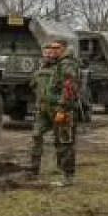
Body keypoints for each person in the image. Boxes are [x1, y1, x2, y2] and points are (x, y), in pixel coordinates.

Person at [30, 39, 81, 184]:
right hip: (51, 108)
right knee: (60, 141)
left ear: (64, 49)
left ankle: (68, 177)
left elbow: (69, 88)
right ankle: (62, 173)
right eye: (51, 48)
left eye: (57, 48)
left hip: (62, 109)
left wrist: (63, 108)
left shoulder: (67, 64)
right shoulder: (59, 64)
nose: (53, 50)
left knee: (65, 142)